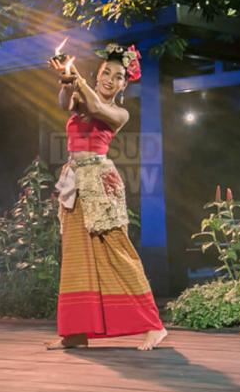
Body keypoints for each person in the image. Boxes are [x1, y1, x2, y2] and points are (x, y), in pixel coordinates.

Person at [47, 43, 168, 351]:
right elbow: (65, 102)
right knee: (76, 255)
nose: (110, 80)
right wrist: (66, 80)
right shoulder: (80, 98)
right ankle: (76, 332)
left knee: (117, 250)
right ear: (98, 74)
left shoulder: (119, 113)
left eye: (117, 77)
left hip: (100, 182)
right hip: (74, 180)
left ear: (124, 85)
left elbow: (97, 109)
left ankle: (154, 326)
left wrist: (75, 75)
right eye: (106, 73)